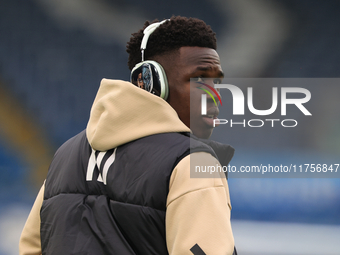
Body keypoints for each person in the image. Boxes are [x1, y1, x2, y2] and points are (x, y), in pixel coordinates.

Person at [19, 16, 236, 255]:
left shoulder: (64, 156)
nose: (217, 96)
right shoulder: (194, 162)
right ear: (152, 83)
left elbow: (32, 248)